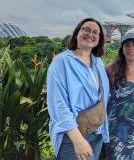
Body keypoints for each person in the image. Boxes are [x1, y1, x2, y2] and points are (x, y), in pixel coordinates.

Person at [46, 17, 110, 160]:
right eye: (86, 30)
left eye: (95, 32)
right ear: (76, 34)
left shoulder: (98, 63)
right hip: (73, 135)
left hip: (97, 132)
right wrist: (77, 139)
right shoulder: (62, 62)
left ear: (99, 39)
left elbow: (104, 96)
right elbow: (57, 104)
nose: (90, 34)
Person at [106, 32, 134, 160]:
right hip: (115, 127)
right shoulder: (111, 69)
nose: (131, 49)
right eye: (127, 45)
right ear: (122, 49)